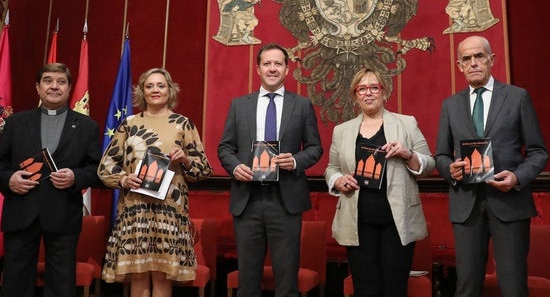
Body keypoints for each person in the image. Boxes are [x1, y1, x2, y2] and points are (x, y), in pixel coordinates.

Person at [434, 35, 549, 297]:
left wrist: (518, 177)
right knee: (467, 286)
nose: (473, 63)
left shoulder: (517, 97)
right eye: (466, 59)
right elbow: (440, 155)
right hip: (466, 206)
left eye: (479, 56)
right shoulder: (450, 105)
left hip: (509, 204)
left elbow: (538, 152)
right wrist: (449, 169)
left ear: (491, 60)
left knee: (513, 286)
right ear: (459, 65)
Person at [218, 43, 323, 297]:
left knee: (287, 281)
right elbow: (225, 148)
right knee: (248, 281)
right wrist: (235, 167)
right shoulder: (239, 105)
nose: (272, 68)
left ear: (287, 69)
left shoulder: (301, 105)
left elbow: (315, 148)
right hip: (248, 198)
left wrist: (295, 161)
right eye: (267, 64)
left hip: (285, 200)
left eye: (278, 63)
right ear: (258, 69)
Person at [0, 63, 101, 297]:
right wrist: (10, 180)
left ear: (69, 89)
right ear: (38, 88)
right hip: (21, 210)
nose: (54, 86)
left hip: (63, 212)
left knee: (61, 282)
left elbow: (95, 168)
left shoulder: (87, 127)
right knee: (16, 280)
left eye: (61, 82)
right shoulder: (15, 123)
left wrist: (75, 177)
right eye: (48, 81)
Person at [98, 67, 213, 296]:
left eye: (161, 85)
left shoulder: (183, 124)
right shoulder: (129, 123)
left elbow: (204, 169)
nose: (155, 90)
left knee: (162, 275)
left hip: (169, 210)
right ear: (142, 91)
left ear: (170, 90)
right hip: (135, 210)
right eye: (149, 86)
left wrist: (186, 160)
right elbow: (105, 167)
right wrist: (124, 178)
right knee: (138, 273)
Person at [325, 67, 436, 296]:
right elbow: (332, 168)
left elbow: (429, 164)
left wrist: (407, 154)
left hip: (397, 219)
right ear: (355, 96)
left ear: (384, 92)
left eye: (374, 87)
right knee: (366, 288)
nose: (368, 93)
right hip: (358, 220)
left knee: (395, 287)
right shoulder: (342, 131)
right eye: (362, 88)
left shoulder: (406, 123)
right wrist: (337, 180)